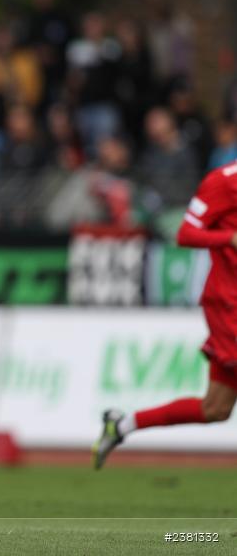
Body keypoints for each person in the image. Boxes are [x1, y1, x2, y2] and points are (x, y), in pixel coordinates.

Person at [93, 161, 237, 469]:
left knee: (216, 408)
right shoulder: (224, 182)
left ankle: (121, 425)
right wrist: (229, 238)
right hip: (229, 305)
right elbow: (186, 234)